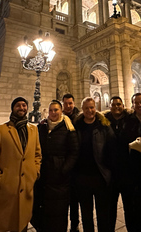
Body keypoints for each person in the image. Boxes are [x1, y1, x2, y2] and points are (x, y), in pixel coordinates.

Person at [0, 97, 42, 232]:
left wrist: (34, 173)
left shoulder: (33, 130)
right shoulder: (1, 130)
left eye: (24, 105)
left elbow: (37, 155)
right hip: (5, 189)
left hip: (26, 187)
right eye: (18, 105)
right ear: (12, 108)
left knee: (22, 226)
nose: (21, 108)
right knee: (2, 225)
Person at [31, 100, 79, 232]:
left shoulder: (68, 128)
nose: (53, 113)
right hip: (43, 177)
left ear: (61, 111)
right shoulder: (42, 127)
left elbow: (74, 153)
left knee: (58, 211)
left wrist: (63, 170)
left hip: (60, 179)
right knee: (42, 208)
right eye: (51, 110)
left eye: (56, 110)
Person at [73, 97, 116, 232]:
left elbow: (112, 149)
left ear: (95, 108)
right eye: (86, 108)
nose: (89, 111)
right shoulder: (76, 126)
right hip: (82, 177)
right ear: (82, 109)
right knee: (86, 215)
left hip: (100, 177)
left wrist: (109, 170)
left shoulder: (104, 125)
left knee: (103, 214)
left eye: (92, 107)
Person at [103, 96, 137, 231]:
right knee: (109, 208)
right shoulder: (104, 121)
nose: (117, 107)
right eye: (114, 105)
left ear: (123, 106)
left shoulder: (131, 120)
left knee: (130, 208)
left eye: (119, 104)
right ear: (109, 106)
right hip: (110, 173)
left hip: (127, 172)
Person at [62, 93, 81, 232]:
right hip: (62, 162)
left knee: (74, 198)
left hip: (77, 164)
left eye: (71, 103)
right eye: (66, 103)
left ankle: (74, 224)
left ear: (73, 103)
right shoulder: (59, 117)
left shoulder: (80, 118)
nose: (69, 106)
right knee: (62, 199)